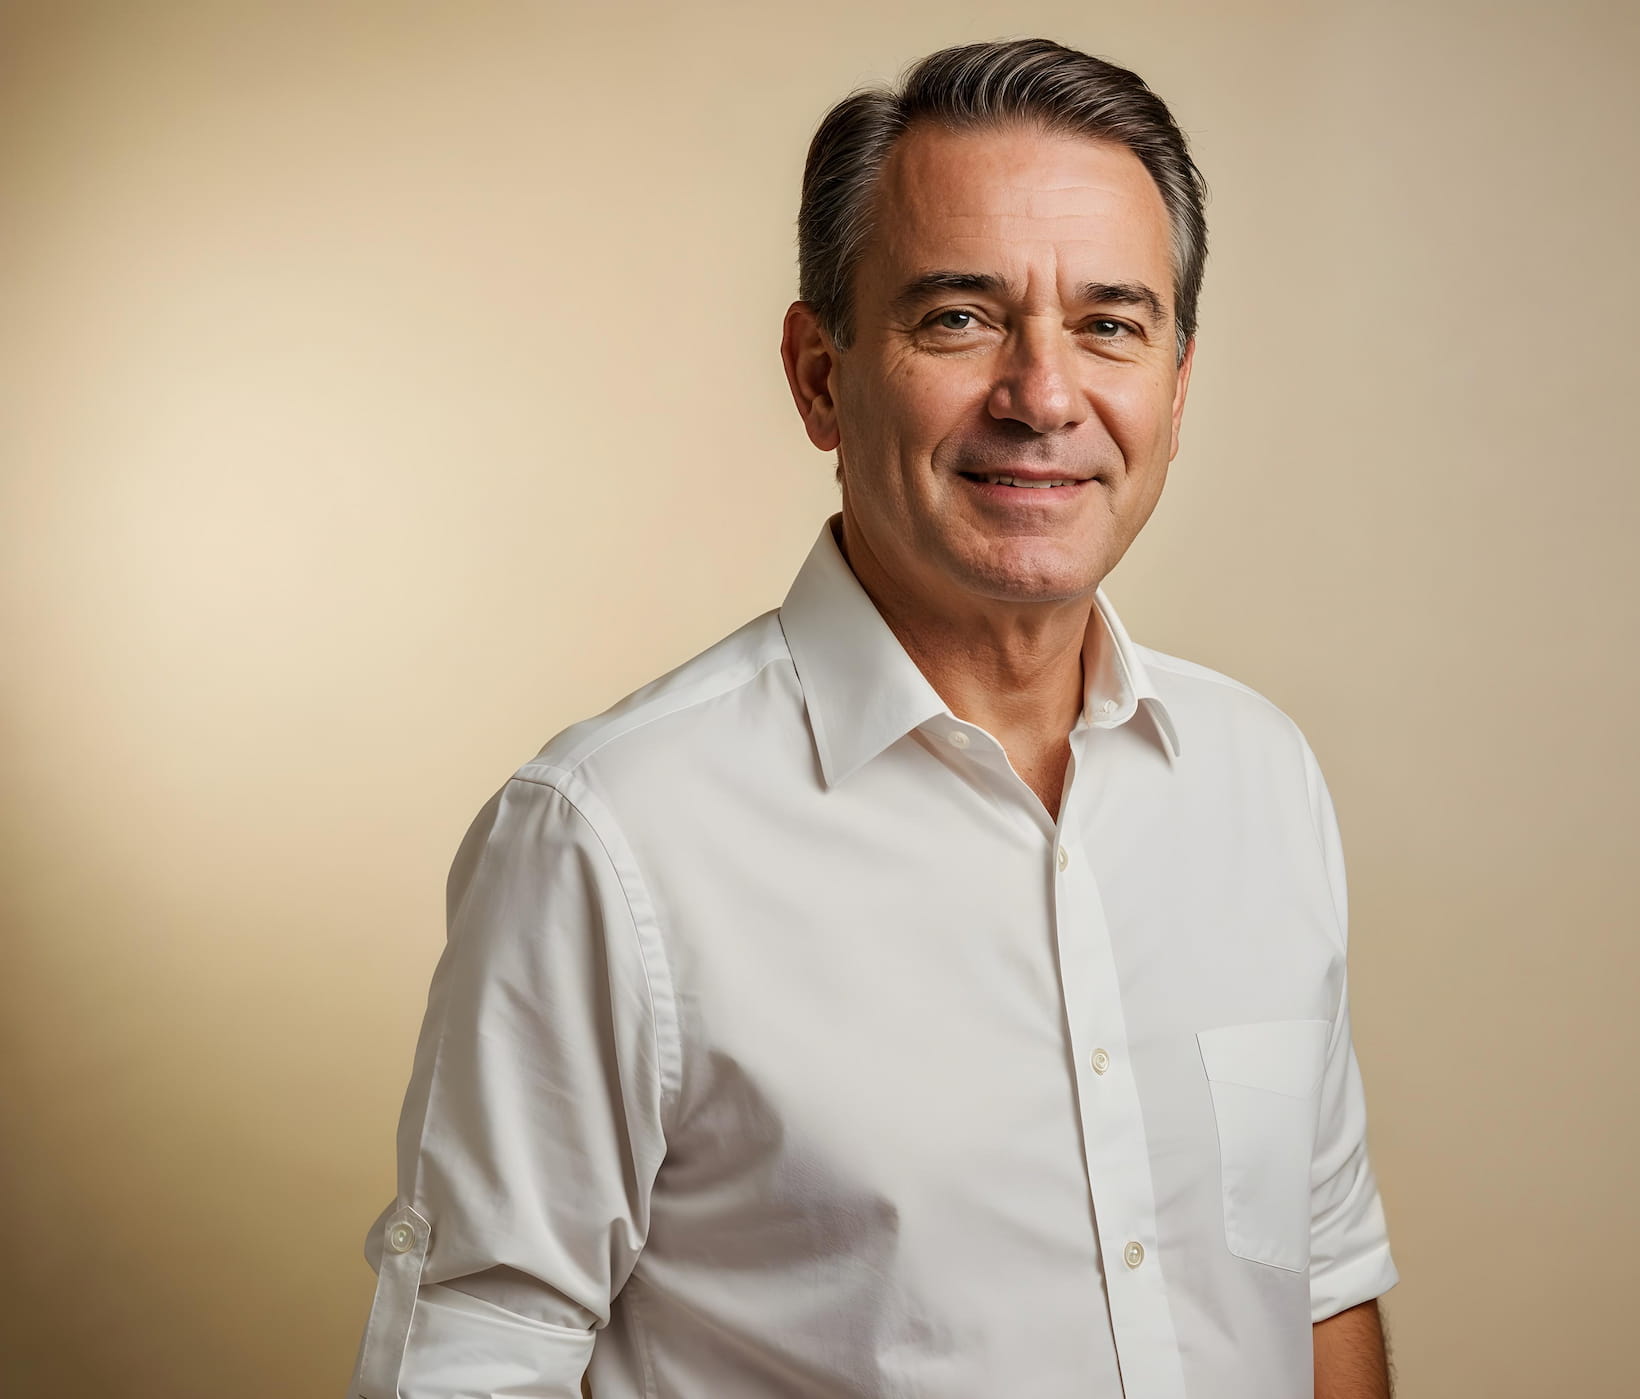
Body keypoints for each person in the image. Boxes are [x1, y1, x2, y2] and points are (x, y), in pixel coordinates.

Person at [344, 36, 1398, 1399]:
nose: (1045, 396)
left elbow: (1315, 1278)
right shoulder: (611, 843)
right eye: (959, 318)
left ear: (1177, 386)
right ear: (819, 376)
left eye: (1110, 325)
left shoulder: (1260, 779)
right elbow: (475, 1367)